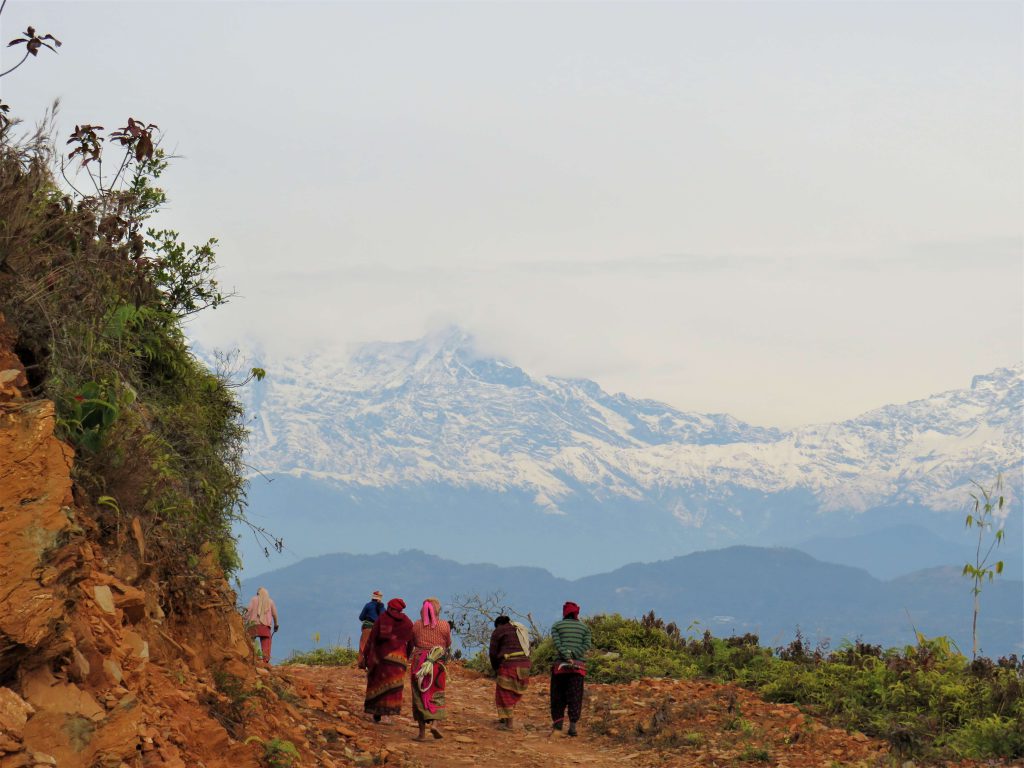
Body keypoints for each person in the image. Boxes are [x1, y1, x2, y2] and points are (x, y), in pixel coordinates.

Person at [364, 598, 414, 722]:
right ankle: (387, 715)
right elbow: (411, 642)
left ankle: (376, 712)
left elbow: (372, 638)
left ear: (389, 607)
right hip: (399, 659)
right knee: (392, 686)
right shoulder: (407, 622)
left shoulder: (382, 618)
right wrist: (406, 657)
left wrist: (367, 655)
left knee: (378, 682)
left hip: (381, 657)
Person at [409, 597, 451, 741]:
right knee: (437, 692)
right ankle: (435, 724)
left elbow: (413, 642)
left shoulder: (416, 625)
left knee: (419, 693)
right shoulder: (444, 625)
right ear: (437, 611)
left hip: (419, 662)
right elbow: (448, 643)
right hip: (437, 663)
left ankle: (421, 734)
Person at [549, 601, 592, 737]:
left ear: (565, 612)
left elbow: (558, 644)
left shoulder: (557, 626)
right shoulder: (584, 628)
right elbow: (587, 644)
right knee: (575, 696)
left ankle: (558, 726)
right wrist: (574, 655)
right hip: (578, 668)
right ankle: (573, 726)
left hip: (560, 667)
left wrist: (566, 656)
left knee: (558, 696)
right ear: (576, 613)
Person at [489, 615, 531, 730]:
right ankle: (505, 718)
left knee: (504, 693)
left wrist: (496, 669)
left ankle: (509, 724)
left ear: (498, 625)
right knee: (513, 692)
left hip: (509, 665)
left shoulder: (498, 631)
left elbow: (493, 653)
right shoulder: (520, 630)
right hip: (525, 666)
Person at [245, 587, 280, 665]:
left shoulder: (253, 599)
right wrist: (276, 625)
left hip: (253, 626)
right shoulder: (270, 601)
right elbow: (274, 615)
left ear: (258, 593)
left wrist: (243, 621)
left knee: (250, 643)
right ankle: (265, 662)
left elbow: (248, 611)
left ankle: (251, 659)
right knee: (266, 644)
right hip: (265, 627)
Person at [358, 590, 385, 668]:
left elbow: (361, 617)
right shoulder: (382, 607)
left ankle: (362, 664)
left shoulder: (368, 605)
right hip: (378, 630)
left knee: (363, 646)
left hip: (367, 628)